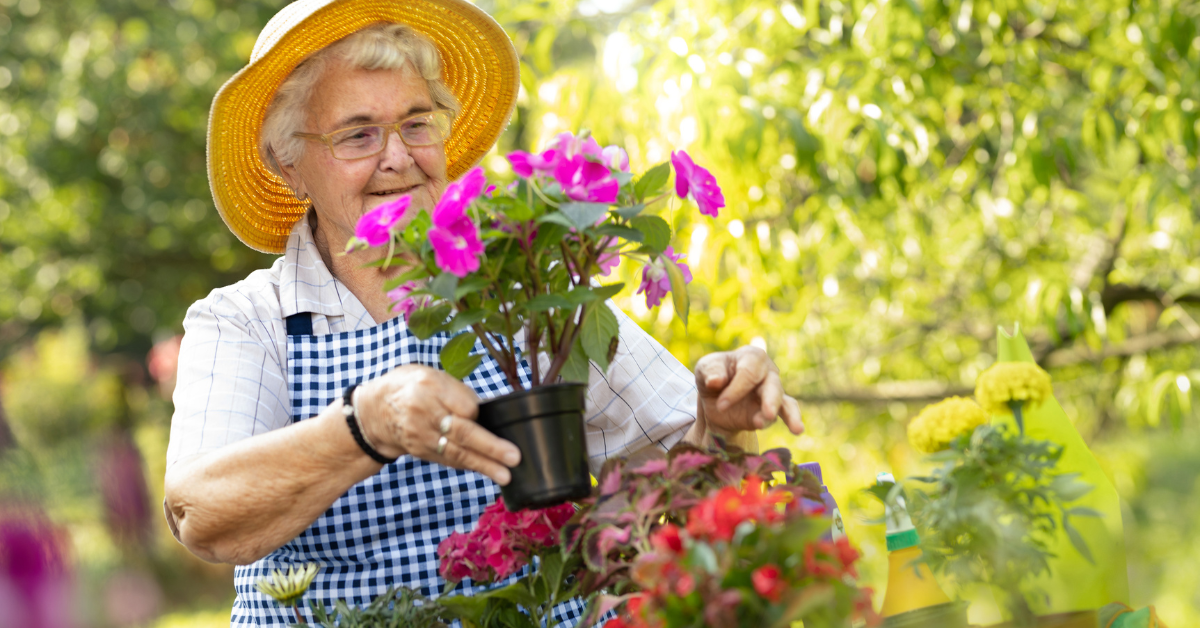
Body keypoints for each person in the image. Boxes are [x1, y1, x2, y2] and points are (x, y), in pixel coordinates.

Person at [162, 0, 803, 624]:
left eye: (417, 123)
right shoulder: (247, 321)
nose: (397, 156)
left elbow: (678, 464)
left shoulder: (522, 281)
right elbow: (203, 514)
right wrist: (368, 424)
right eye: (358, 135)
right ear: (288, 163)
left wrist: (717, 418)